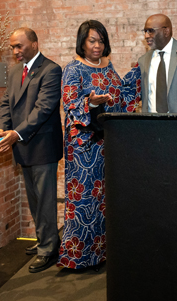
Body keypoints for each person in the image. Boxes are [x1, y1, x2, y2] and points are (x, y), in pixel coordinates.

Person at [58, 20, 141, 270]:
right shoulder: (73, 69)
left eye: (101, 41)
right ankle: (78, 257)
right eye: (92, 40)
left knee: (104, 200)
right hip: (83, 147)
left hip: (106, 144)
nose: (97, 46)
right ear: (82, 41)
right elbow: (70, 104)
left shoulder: (109, 67)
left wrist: (139, 72)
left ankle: (101, 253)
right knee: (83, 200)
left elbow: (121, 95)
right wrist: (91, 103)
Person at [0, 27, 63, 273]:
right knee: (34, 199)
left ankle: (49, 250)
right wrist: (3, 130)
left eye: (19, 46)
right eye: (13, 46)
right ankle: (45, 239)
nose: (15, 51)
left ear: (34, 44)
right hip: (21, 144)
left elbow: (43, 109)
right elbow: (5, 102)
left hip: (42, 145)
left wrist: (16, 133)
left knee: (45, 200)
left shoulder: (51, 70)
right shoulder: (15, 72)